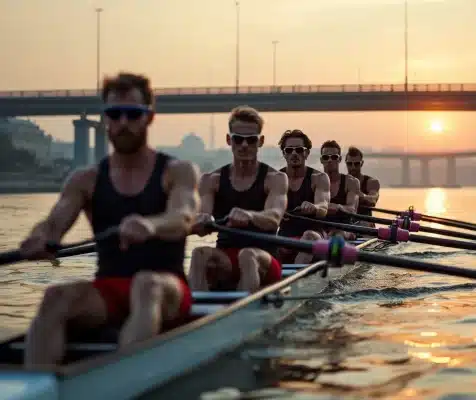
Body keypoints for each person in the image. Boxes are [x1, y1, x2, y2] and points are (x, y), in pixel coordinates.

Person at [18, 72, 201, 366]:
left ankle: (119, 378)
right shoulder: (85, 179)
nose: (123, 123)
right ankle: (36, 385)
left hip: (167, 289)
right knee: (54, 298)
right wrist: (41, 237)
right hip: (110, 292)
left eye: (133, 114)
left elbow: (183, 217)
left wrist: (150, 225)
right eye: (114, 115)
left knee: (146, 284)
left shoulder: (177, 171)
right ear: (105, 119)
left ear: (149, 117)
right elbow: (54, 222)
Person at [189, 106, 288, 293]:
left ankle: (243, 312)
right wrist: (199, 221)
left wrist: (250, 216)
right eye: (238, 139)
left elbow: (274, 218)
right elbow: (202, 221)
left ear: (260, 142)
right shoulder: (211, 180)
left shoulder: (275, 179)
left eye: (251, 140)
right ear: (229, 140)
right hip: (226, 258)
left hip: (265, 259)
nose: (244, 145)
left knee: (247, 255)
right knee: (198, 254)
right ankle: (196, 315)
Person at [276, 129, 330, 264]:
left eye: (299, 150)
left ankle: (294, 281)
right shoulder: (275, 179)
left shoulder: (319, 178)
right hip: (285, 238)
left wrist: (314, 207)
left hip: (315, 235)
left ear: (306, 153)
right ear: (284, 154)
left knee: (309, 236)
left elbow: (323, 207)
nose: (294, 153)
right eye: (289, 150)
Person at [320, 140, 360, 240]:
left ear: (340, 159)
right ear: (321, 160)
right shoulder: (315, 181)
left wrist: (337, 207)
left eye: (334, 157)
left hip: (345, 229)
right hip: (321, 229)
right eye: (326, 157)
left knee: (337, 234)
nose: (330, 160)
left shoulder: (351, 182)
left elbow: (352, 209)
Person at [345, 146, 380, 228]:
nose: (353, 167)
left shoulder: (371, 182)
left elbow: (372, 200)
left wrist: (358, 194)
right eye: (349, 164)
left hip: (365, 224)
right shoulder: (340, 181)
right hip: (345, 224)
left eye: (356, 164)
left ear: (362, 163)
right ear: (346, 163)